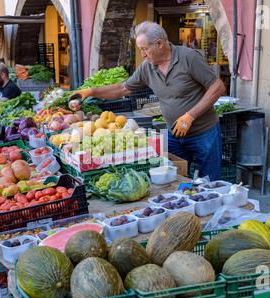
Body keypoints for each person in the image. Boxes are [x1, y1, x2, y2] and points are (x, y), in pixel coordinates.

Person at [71, 21, 226, 180]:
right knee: (175, 178)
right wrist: (91, 91)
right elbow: (123, 89)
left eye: (144, 49)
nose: (143, 54)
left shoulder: (188, 58)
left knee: (210, 180)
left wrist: (190, 116)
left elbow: (218, 87)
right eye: (140, 49)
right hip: (174, 133)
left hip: (203, 133)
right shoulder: (147, 67)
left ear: (159, 44)